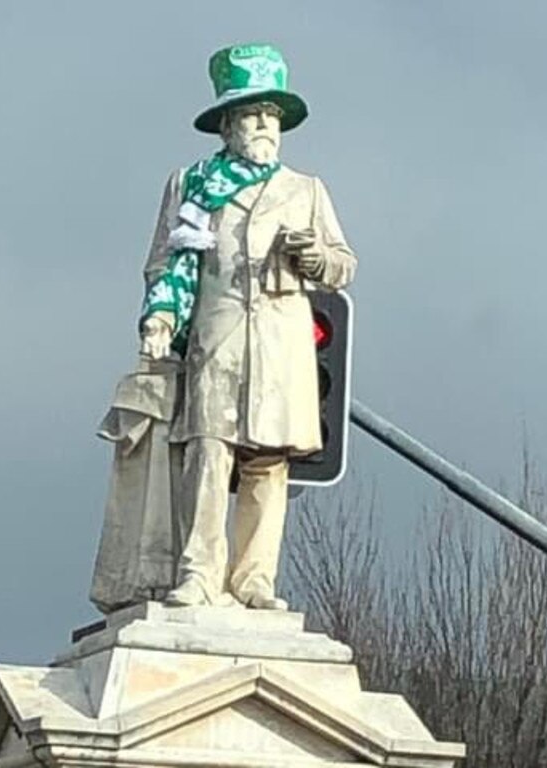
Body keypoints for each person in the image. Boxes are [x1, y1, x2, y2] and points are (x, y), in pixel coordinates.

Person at [138, 43, 356, 609]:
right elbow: (165, 261)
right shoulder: (191, 185)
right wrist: (161, 317)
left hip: (282, 343)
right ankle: (199, 573)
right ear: (228, 124)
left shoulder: (306, 190)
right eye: (253, 115)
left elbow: (343, 263)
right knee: (209, 455)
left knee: (268, 462)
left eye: (271, 117)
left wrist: (314, 259)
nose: (264, 127)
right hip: (219, 338)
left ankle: (254, 578)